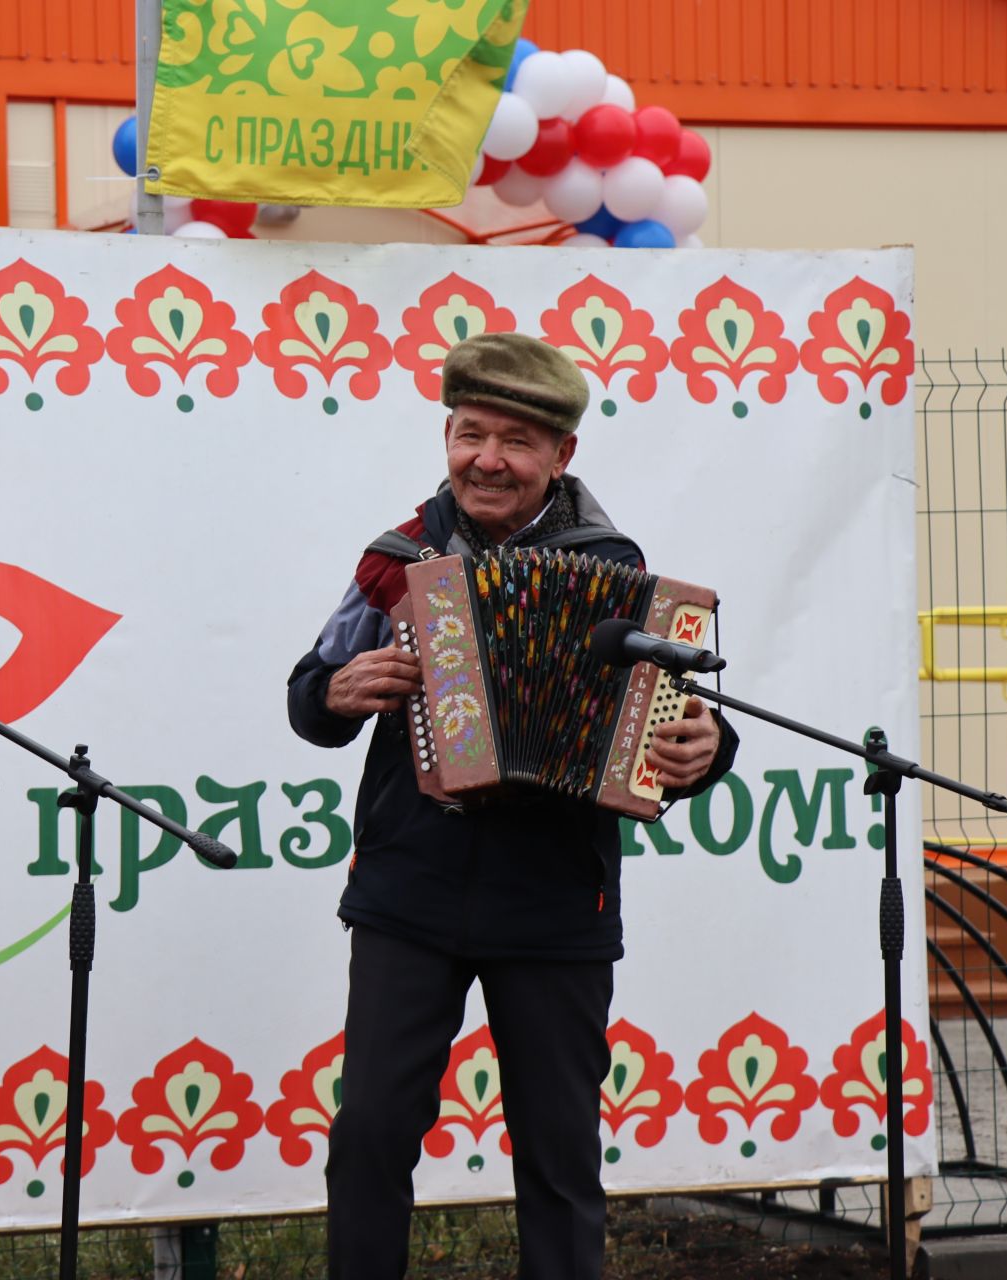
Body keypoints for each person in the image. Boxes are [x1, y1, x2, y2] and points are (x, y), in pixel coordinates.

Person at [286, 333, 738, 1280]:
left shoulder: (616, 570)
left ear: (560, 456)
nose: (487, 459)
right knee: (370, 1129)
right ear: (447, 436)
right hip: (410, 892)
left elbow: (690, 721)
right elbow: (310, 695)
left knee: (561, 1151)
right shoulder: (395, 563)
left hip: (556, 901)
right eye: (469, 433)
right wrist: (334, 692)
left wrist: (707, 752)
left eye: (516, 441)